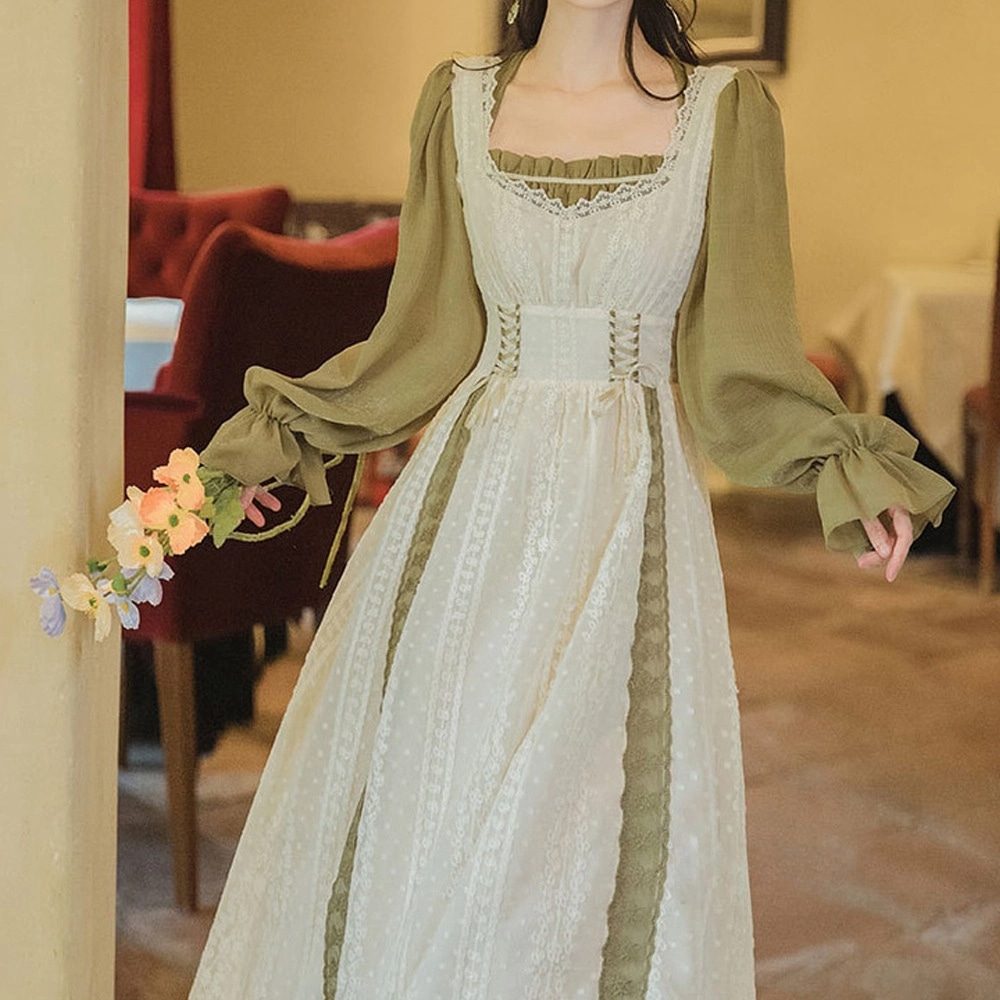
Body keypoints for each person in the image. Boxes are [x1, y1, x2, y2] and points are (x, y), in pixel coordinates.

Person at [188, 2, 954, 997]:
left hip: (629, 515)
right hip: (468, 513)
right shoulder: (458, 103)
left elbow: (743, 356)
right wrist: (287, 438)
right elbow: (420, 339)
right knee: (440, 793)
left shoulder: (724, 113)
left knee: (587, 819)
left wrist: (841, 464)